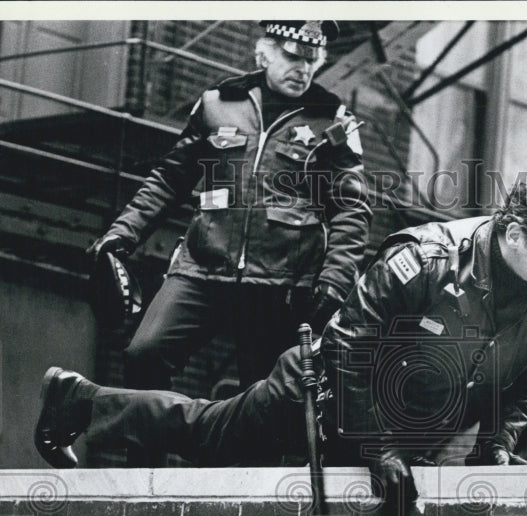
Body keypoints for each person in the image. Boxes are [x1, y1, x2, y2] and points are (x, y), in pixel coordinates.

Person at [37, 179, 527, 509]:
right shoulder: (424, 259)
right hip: (316, 392)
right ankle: (79, 401)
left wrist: (495, 443)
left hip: (399, 434)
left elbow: (525, 380)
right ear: (515, 236)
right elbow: (348, 347)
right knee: (207, 433)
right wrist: (379, 448)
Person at [86, 21, 371, 463]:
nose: (304, 68)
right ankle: (145, 474)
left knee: (262, 403)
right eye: (293, 56)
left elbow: (351, 210)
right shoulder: (218, 104)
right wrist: (122, 233)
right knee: (145, 353)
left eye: (313, 59)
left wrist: (333, 284)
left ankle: (233, 499)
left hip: (280, 283)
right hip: (202, 268)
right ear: (264, 54)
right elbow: (170, 176)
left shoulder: (333, 120)